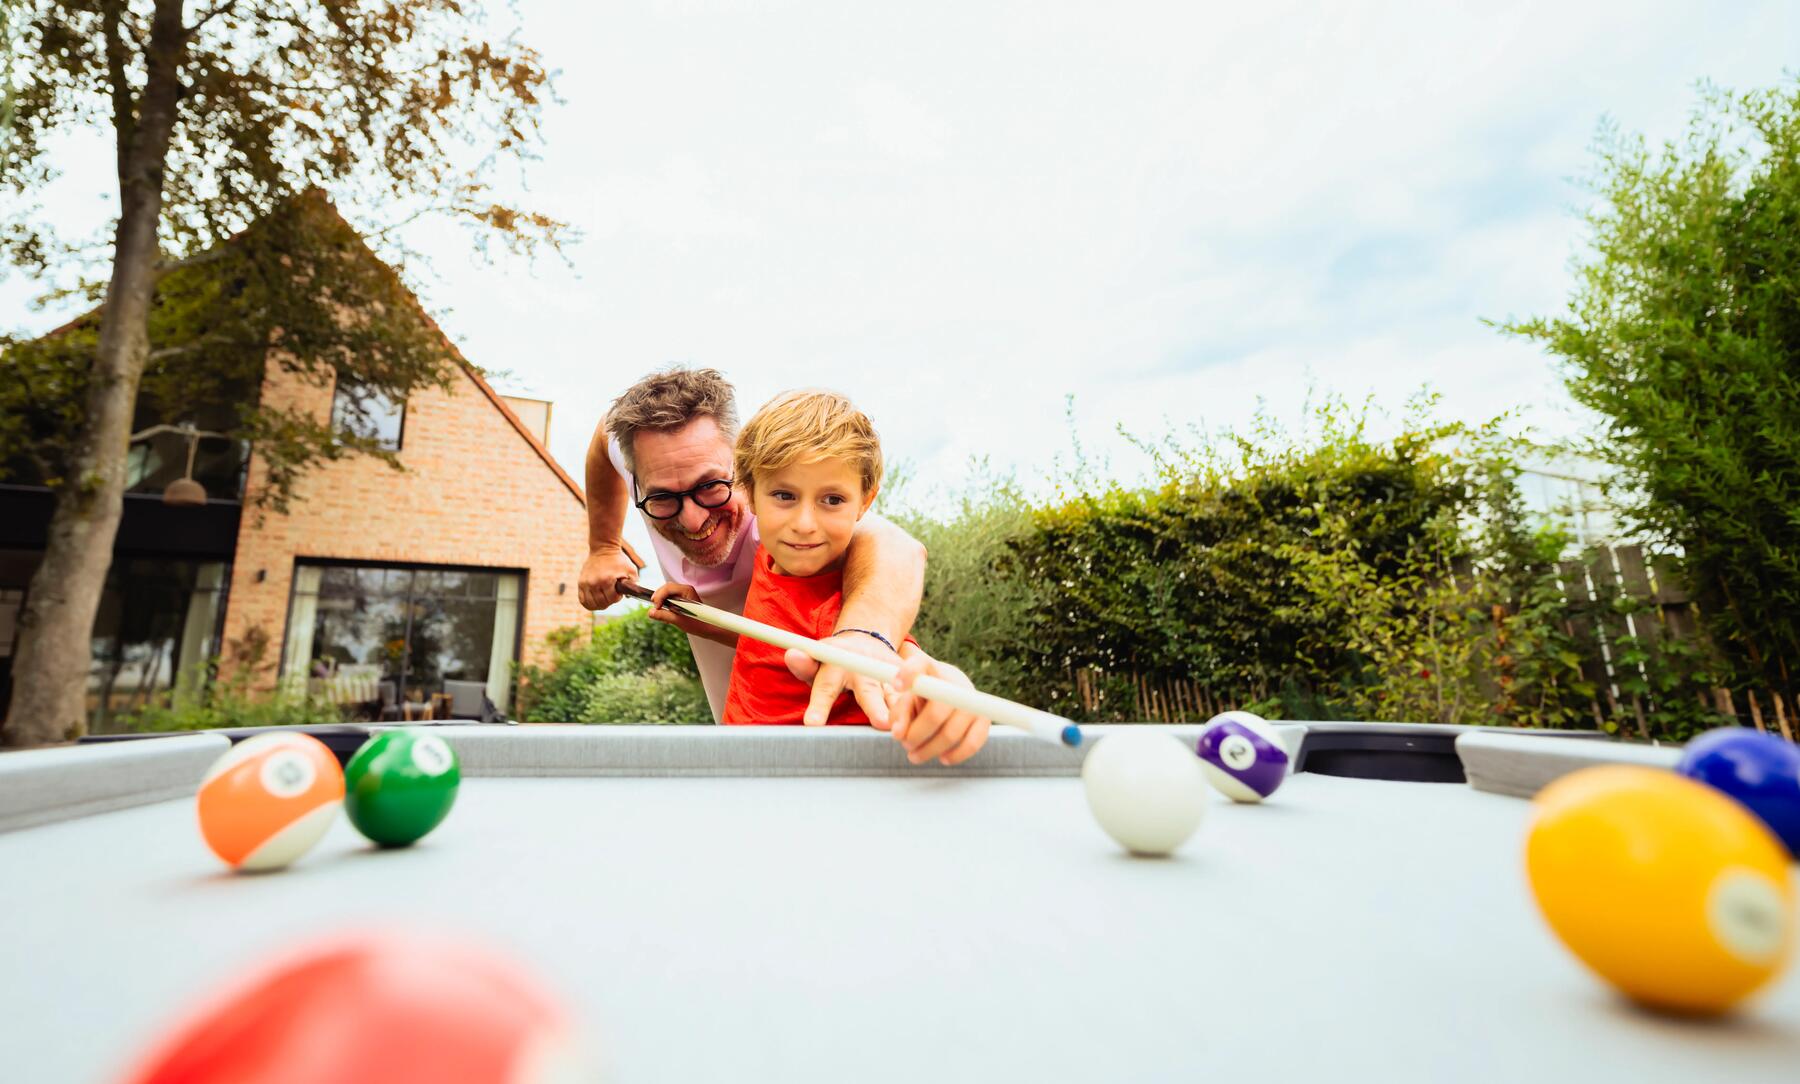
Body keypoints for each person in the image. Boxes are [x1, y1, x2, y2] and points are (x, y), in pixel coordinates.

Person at [580, 368, 990, 765]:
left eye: (710, 486)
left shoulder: (788, 525)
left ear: (742, 477)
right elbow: (604, 438)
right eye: (664, 497)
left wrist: (939, 686)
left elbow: (893, 561)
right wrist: (603, 547)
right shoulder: (772, 553)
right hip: (742, 750)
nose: (692, 520)